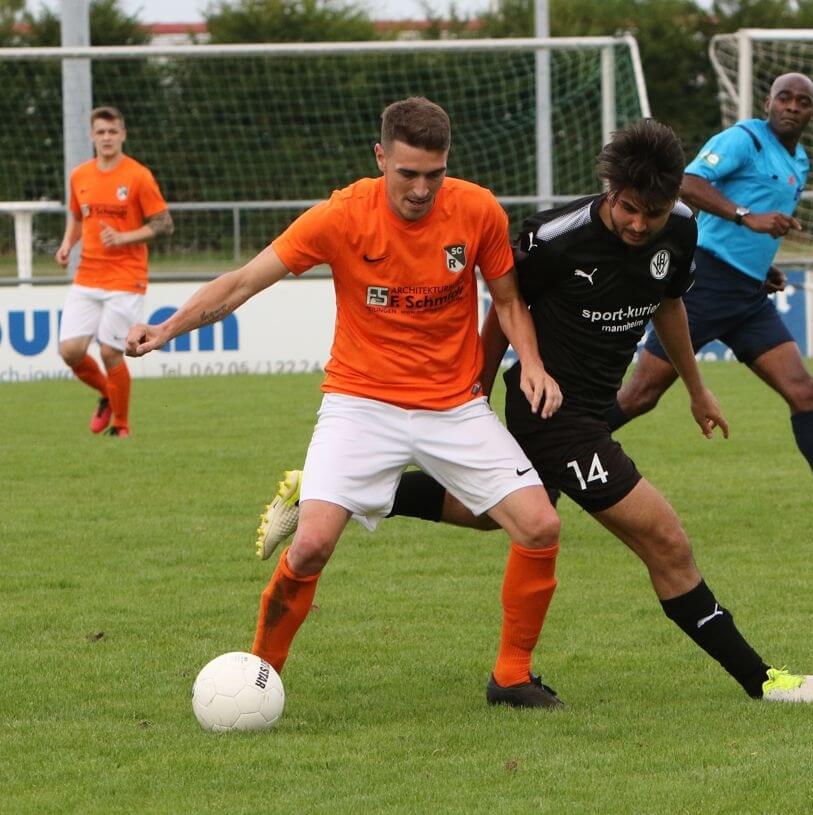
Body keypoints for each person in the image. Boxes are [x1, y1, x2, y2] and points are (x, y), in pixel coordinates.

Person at [258, 119, 813, 705]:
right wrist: (477, 393)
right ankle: (763, 682)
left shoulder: (681, 228)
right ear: (610, 191)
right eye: (629, 209)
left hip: (594, 407)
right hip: (552, 413)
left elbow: (668, 306)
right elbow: (504, 310)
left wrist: (696, 387)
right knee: (666, 542)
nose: (639, 224)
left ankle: (330, 493)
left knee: (493, 517)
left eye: (653, 213)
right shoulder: (555, 237)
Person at [127, 97, 567, 709]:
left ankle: (512, 677)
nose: (421, 189)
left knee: (540, 526)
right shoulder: (340, 216)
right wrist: (164, 329)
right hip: (360, 405)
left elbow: (510, 301)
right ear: (380, 156)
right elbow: (242, 283)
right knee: (309, 547)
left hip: (453, 407)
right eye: (407, 173)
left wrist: (534, 366)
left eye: (434, 175)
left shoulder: (478, 209)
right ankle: (259, 678)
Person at [609, 74, 813, 540]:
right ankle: (557, 453)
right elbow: (688, 181)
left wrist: (762, 267)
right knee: (641, 395)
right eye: (784, 97)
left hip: (747, 296)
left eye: (802, 102)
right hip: (703, 282)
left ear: (812, 113)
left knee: (804, 390)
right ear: (769, 101)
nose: (792, 106)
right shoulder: (743, 139)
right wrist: (747, 216)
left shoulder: (799, 161)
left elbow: (757, 227)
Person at [56, 106, 174, 438]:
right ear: (92, 136)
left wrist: (125, 237)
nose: (107, 138)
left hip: (126, 276)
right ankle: (110, 394)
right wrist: (67, 245)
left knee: (111, 350)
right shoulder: (80, 175)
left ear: (123, 134)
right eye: (101, 132)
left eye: (113, 131)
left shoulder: (138, 176)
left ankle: (121, 426)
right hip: (88, 274)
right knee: (70, 351)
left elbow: (164, 223)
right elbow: (79, 217)